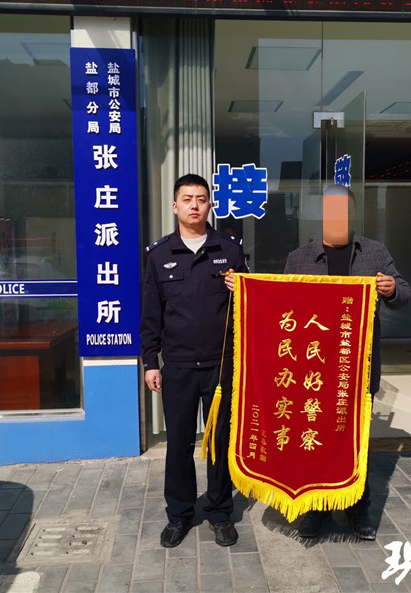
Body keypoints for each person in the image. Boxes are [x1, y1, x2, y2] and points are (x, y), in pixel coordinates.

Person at [283, 183, 411, 540]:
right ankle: (317, 507)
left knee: (356, 441)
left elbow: (404, 292)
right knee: (315, 439)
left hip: (357, 368)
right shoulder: (299, 258)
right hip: (313, 369)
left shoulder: (375, 252)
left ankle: (357, 507)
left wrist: (391, 289)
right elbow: (283, 306)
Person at [140, 173, 249, 548]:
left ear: (210, 205)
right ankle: (180, 514)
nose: (194, 205)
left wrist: (242, 290)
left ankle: (220, 513)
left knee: (220, 442)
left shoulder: (230, 251)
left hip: (222, 366)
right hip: (179, 367)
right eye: (187, 199)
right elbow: (151, 314)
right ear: (175, 206)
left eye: (201, 199)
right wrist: (150, 362)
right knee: (179, 444)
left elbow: (252, 307)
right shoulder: (159, 255)